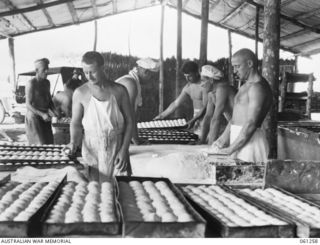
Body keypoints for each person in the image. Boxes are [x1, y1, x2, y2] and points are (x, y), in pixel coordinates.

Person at [65, 51, 134, 182]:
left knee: (119, 191)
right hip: (91, 148)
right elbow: (75, 123)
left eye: (93, 71)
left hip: (116, 147)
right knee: (94, 192)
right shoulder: (80, 93)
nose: (89, 77)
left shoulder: (119, 91)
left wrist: (124, 150)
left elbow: (130, 122)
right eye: (85, 72)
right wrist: (73, 141)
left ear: (103, 68)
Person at [210, 48, 273, 163]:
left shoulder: (257, 87)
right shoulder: (245, 86)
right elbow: (235, 118)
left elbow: (251, 123)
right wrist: (222, 139)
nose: (235, 71)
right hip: (239, 141)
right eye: (234, 67)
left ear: (250, 64)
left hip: (251, 142)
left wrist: (232, 148)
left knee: (248, 178)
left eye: (237, 66)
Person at [154, 61, 207, 135]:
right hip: (196, 120)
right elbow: (175, 104)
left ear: (197, 72)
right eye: (185, 76)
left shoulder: (205, 85)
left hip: (207, 118)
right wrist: (161, 116)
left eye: (190, 76)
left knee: (206, 142)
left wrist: (193, 120)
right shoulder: (188, 87)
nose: (187, 79)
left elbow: (205, 107)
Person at [116, 58, 159, 144]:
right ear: (146, 72)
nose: (150, 79)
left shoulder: (131, 80)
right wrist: (136, 138)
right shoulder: (130, 83)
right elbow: (130, 114)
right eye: (151, 76)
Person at [199, 65, 237, 144]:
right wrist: (201, 140)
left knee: (215, 148)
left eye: (203, 81)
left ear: (211, 80)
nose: (201, 84)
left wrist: (210, 146)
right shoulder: (212, 93)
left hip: (240, 128)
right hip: (232, 126)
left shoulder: (222, 89)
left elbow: (216, 119)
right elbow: (208, 117)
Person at [25, 58, 58, 145]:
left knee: (49, 144)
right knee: (39, 146)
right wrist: (42, 114)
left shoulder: (47, 83)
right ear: (36, 70)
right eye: (44, 70)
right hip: (34, 118)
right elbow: (28, 104)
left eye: (47, 69)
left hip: (45, 117)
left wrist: (55, 111)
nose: (46, 71)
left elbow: (49, 100)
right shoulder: (31, 83)